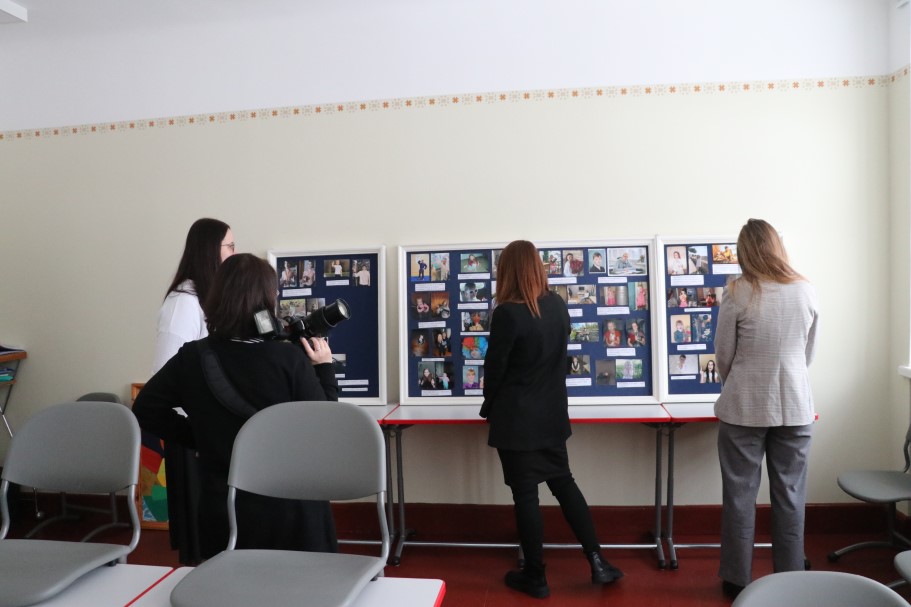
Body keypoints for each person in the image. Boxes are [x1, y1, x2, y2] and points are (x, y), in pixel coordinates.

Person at [135, 253, 339, 561]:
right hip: (292, 506)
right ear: (265, 301)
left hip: (224, 506)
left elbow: (146, 408)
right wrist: (324, 367)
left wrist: (200, 437)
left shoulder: (193, 358)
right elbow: (326, 426)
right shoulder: (287, 359)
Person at [479, 240, 622, 599]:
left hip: (516, 419)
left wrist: (488, 406)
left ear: (507, 271)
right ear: (536, 267)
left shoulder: (507, 313)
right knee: (564, 484)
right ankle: (598, 561)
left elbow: (494, 371)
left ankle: (535, 576)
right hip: (551, 415)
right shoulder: (557, 305)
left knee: (526, 495)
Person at [714, 219, 819, 599]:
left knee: (740, 495)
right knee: (790, 495)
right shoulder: (805, 290)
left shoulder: (737, 292)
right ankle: (790, 577)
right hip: (795, 405)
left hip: (744, 405)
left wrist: (738, 381)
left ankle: (736, 580)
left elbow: (723, 355)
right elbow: (807, 353)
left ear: (744, 252)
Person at [151, 217, 234, 565]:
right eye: (230, 246)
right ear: (210, 251)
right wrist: (194, 429)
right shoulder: (183, 304)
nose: (234, 253)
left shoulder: (206, 298)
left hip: (209, 431)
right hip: (191, 434)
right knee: (200, 539)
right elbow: (166, 376)